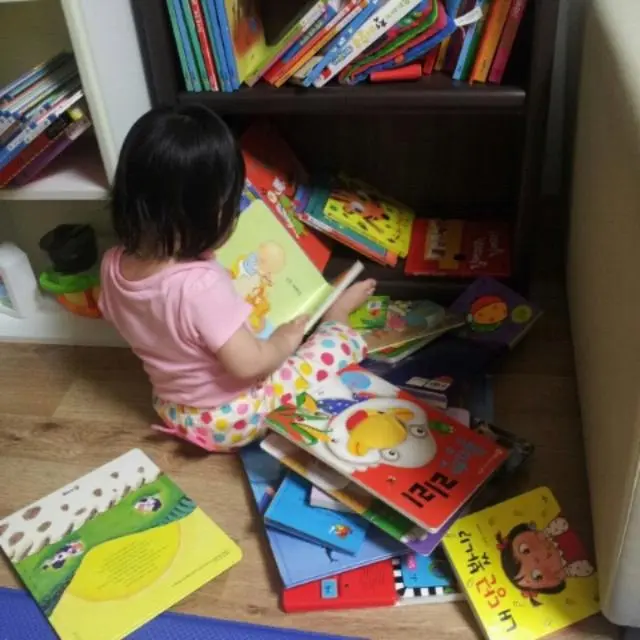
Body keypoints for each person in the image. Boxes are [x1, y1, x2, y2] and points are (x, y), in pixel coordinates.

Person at [99, 105, 375, 452]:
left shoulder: (112, 264)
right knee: (326, 353)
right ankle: (337, 319)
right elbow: (249, 366)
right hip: (228, 417)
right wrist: (285, 342)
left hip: (172, 407)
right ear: (207, 214)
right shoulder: (199, 285)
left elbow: (132, 317)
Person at [496, 517, 595, 606]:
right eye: (537, 576)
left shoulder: (557, 527)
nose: (536, 560)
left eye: (526, 550)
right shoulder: (578, 567)